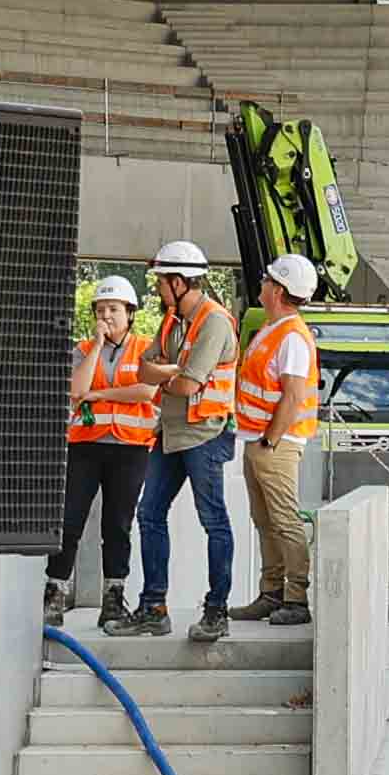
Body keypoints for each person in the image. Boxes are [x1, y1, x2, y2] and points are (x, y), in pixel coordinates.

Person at [130, 238, 239, 640]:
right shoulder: (172, 320)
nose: (158, 288)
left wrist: (168, 373)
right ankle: (153, 608)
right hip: (171, 432)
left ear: (179, 282)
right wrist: (172, 372)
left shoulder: (214, 322)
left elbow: (189, 383)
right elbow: (143, 370)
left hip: (205, 435)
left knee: (214, 521)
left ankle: (217, 611)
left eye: (161, 281)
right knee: (149, 514)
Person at [227, 250, 330, 632]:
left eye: (268, 279)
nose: (263, 283)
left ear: (279, 290)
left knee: (284, 520)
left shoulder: (293, 337)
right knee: (265, 520)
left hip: (276, 443)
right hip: (259, 439)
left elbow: (292, 395)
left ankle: (296, 598)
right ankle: (270, 592)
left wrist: (270, 441)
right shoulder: (274, 329)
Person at [49, 271, 155, 626]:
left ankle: (113, 596)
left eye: (114, 309)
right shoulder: (82, 350)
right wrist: (97, 345)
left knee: (118, 525)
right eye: (101, 309)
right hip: (85, 446)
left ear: (130, 312)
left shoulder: (145, 348)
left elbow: (146, 391)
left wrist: (100, 394)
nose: (106, 316)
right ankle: (55, 590)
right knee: (69, 520)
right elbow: (76, 390)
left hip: (130, 448)